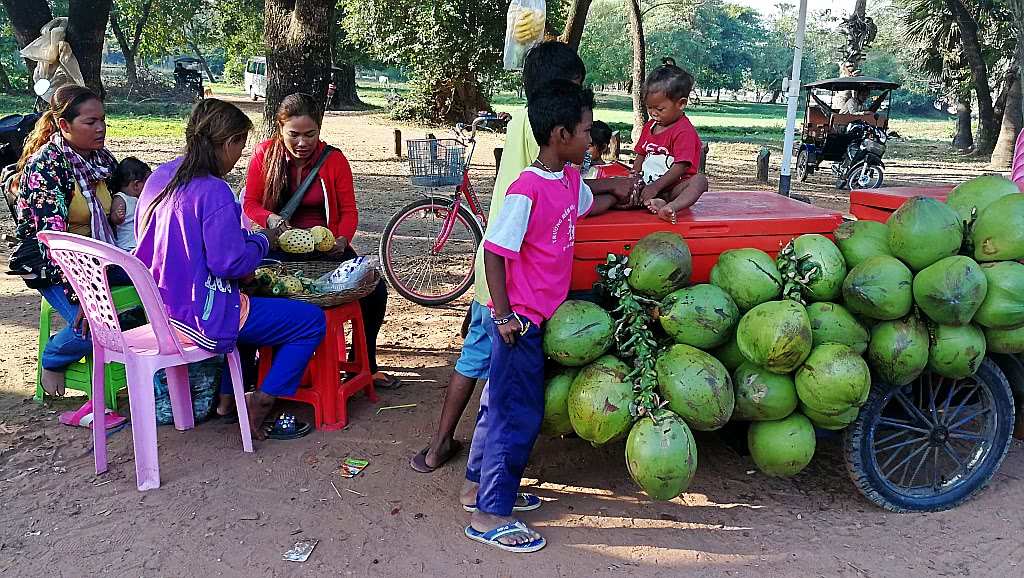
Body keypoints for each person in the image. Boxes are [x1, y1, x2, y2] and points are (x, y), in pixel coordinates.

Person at [410, 41, 630, 473]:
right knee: (498, 386)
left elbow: (571, 188)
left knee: (474, 362)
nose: (584, 118)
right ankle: (481, 477)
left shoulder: (524, 127)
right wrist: (612, 188)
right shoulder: (541, 140)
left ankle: (440, 446)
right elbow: (549, 196)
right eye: (577, 93)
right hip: (508, 288)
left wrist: (607, 190)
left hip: (497, 282)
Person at [464, 80, 619, 553]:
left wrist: (631, 193)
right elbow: (494, 252)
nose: (592, 141)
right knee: (519, 416)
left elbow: (591, 204)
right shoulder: (526, 189)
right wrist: (506, 316)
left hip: (531, 319)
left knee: (498, 406)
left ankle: (476, 489)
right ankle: (490, 515)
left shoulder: (568, 180)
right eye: (586, 132)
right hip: (519, 323)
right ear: (559, 135)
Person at [134, 98, 326, 441]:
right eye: (239, 145)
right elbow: (229, 263)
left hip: (162, 307)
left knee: (251, 307)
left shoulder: (159, 177)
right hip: (202, 315)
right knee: (310, 322)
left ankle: (227, 399)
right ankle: (262, 402)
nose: (239, 155)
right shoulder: (214, 190)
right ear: (228, 143)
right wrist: (263, 241)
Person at [242, 93, 398, 390]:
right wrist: (272, 221)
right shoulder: (264, 154)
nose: (302, 143)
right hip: (278, 251)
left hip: (326, 251)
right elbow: (250, 203)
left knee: (375, 290)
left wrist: (341, 239)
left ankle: (364, 365)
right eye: (294, 135)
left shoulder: (334, 160)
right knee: (251, 296)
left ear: (319, 130)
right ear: (280, 129)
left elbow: (349, 209)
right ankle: (253, 377)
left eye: (310, 134)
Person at [11, 84, 127, 427]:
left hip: (102, 257)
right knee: (98, 323)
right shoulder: (46, 167)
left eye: (103, 120)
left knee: (154, 298)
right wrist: (83, 294)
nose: (101, 128)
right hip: (53, 264)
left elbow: (124, 184)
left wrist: (119, 196)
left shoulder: (101, 160)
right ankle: (52, 356)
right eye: (91, 122)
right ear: (64, 125)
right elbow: (54, 241)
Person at [633, 58, 709, 224]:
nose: (653, 114)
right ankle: (656, 201)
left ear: (681, 104)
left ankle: (671, 206)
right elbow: (640, 154)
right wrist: (635, 176)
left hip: (675, 188)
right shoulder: (650, 126)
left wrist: (656, 187)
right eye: (649, 108)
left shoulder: (684, 131)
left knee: (699, 181)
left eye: (660, 109)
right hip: (648, 186)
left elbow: (681, 166)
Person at [108, 157, 151, 252]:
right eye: (148, 183)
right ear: (136, 185)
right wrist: (118, 215)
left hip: (138, 244)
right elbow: (114, 219)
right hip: (126, 246)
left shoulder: (139, 199)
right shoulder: (121, 198)